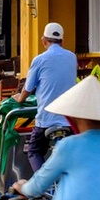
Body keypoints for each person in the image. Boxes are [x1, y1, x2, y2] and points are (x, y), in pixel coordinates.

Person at [15, 22, 77, 172]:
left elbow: (28, 89)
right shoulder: (72, 57)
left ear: (44, 41)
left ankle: (42, 187)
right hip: (69, 121)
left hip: (46, 121)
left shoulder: (39, 60)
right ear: (62, 41)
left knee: (34, 151)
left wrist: (19, 99)